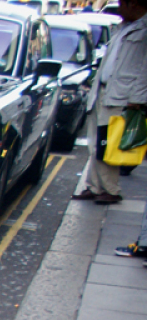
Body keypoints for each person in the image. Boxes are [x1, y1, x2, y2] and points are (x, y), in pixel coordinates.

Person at [72, 0, 147, 204]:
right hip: (103, 91)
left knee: (108, 145)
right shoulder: (123, 27)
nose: (118, 9)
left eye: (121, 4)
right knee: (95, 143)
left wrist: (137, 99)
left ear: (133, 5)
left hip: (121, 96)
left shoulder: (144, 30)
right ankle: (94, 187)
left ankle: (111, 190)